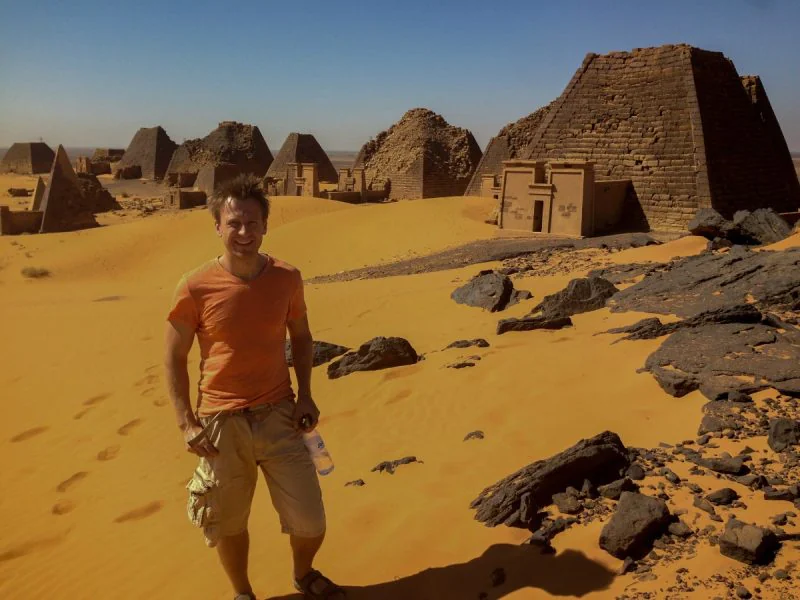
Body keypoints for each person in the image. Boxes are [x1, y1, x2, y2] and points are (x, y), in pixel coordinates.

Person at [164, 174, 345, 600]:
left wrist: (306, 393)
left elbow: (302, 336)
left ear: (265, 225)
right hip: (221, 423)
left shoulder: (287, 278)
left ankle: (303, 574)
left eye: (252, 223)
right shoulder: (194, 286)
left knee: (311, 519)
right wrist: (186, 423)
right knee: (229, 522)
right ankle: (242, 593)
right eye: (234, 223)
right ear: (218, 226)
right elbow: (173, 357)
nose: (243, 232)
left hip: (280, 414)